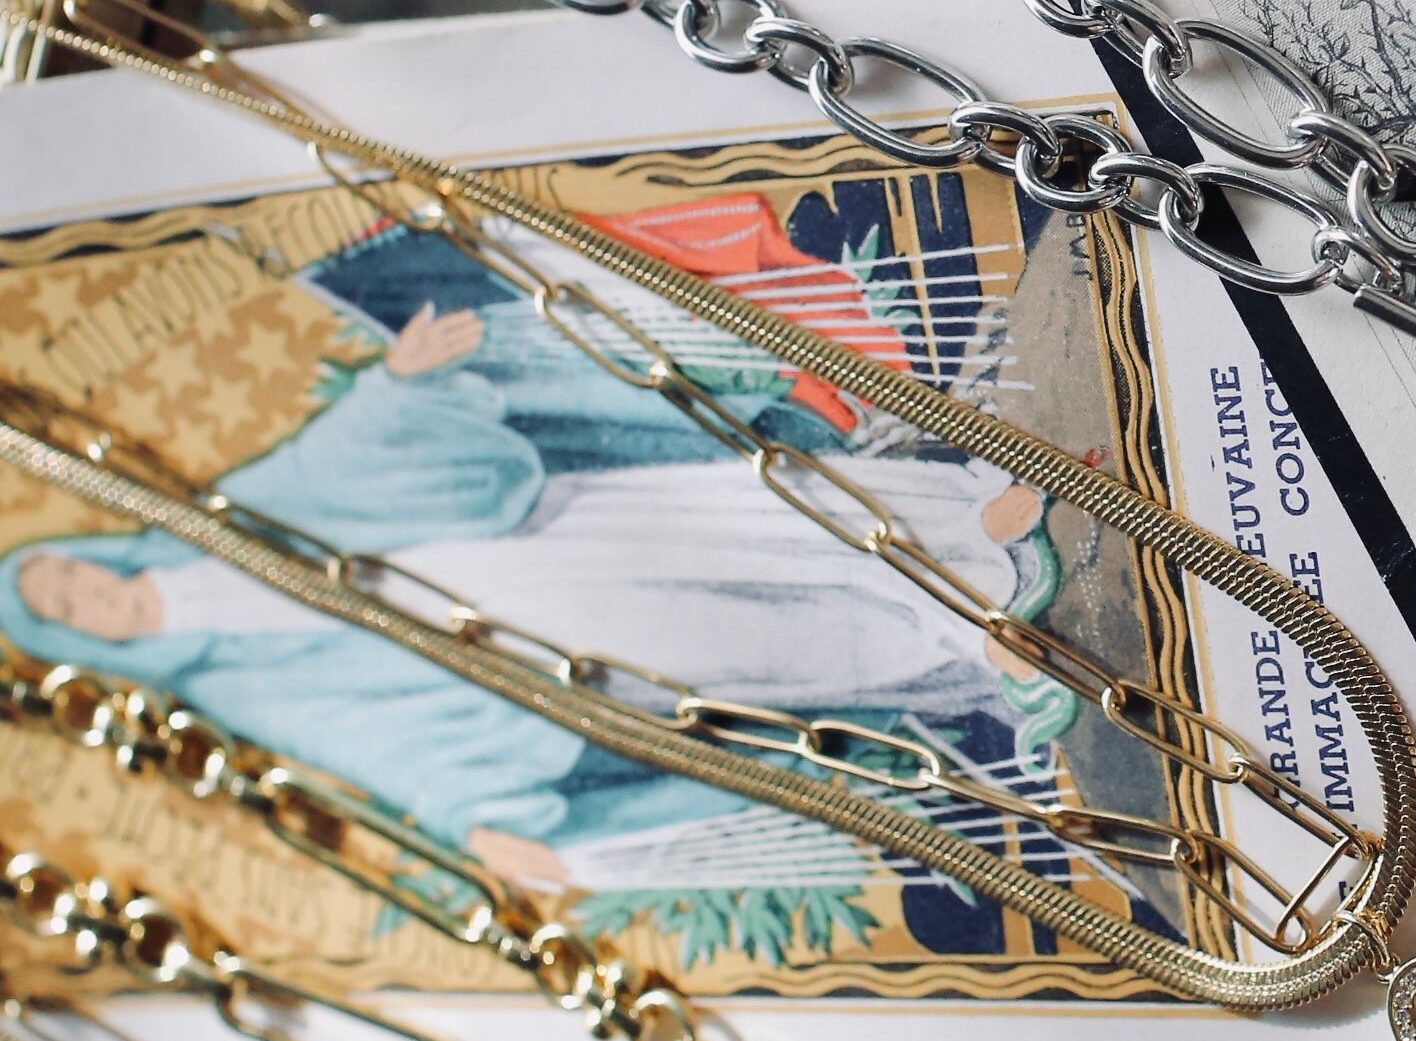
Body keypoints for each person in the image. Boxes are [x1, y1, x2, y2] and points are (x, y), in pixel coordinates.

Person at [0, 300, 1060, 891]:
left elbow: (321, 467)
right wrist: (469, 819)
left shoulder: (202, 535)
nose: (87, 596)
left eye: (70, 574)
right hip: (515, 648)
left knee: (742, 515)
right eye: (66, 611)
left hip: (508, 542)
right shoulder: (231, 681)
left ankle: (965, 522)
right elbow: (361, 746)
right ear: (84, 641)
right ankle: (964, 640)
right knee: (749, 645)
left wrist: (394, 386)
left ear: (93, 556)